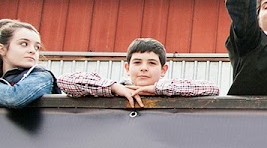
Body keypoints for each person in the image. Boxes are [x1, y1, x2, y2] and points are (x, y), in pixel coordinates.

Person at [57, 38, 219, 108]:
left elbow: (211, 88)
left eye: (152, 63)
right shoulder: (113, 89)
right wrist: (114, 88)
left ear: (164, 70)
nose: (144, 68)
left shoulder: (171, 90)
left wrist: (157, 90)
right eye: (137, 62)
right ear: (127, 68)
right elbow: (64, 82)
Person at [0, 20, 60, 108]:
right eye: (24, 44)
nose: (32, 50)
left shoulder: (42, 76)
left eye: (37, 47)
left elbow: (13, 98)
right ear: (2, 49)